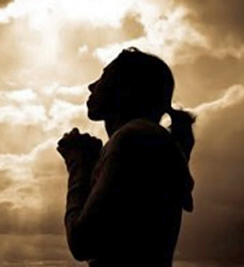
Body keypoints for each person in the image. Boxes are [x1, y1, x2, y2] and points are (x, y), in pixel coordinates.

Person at [57, 47, 195, 267]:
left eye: (103, 78)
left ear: (127, 90)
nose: (92, 86)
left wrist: (79, 165)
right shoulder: (145, 139)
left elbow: (83, 242)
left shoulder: (131, 140)